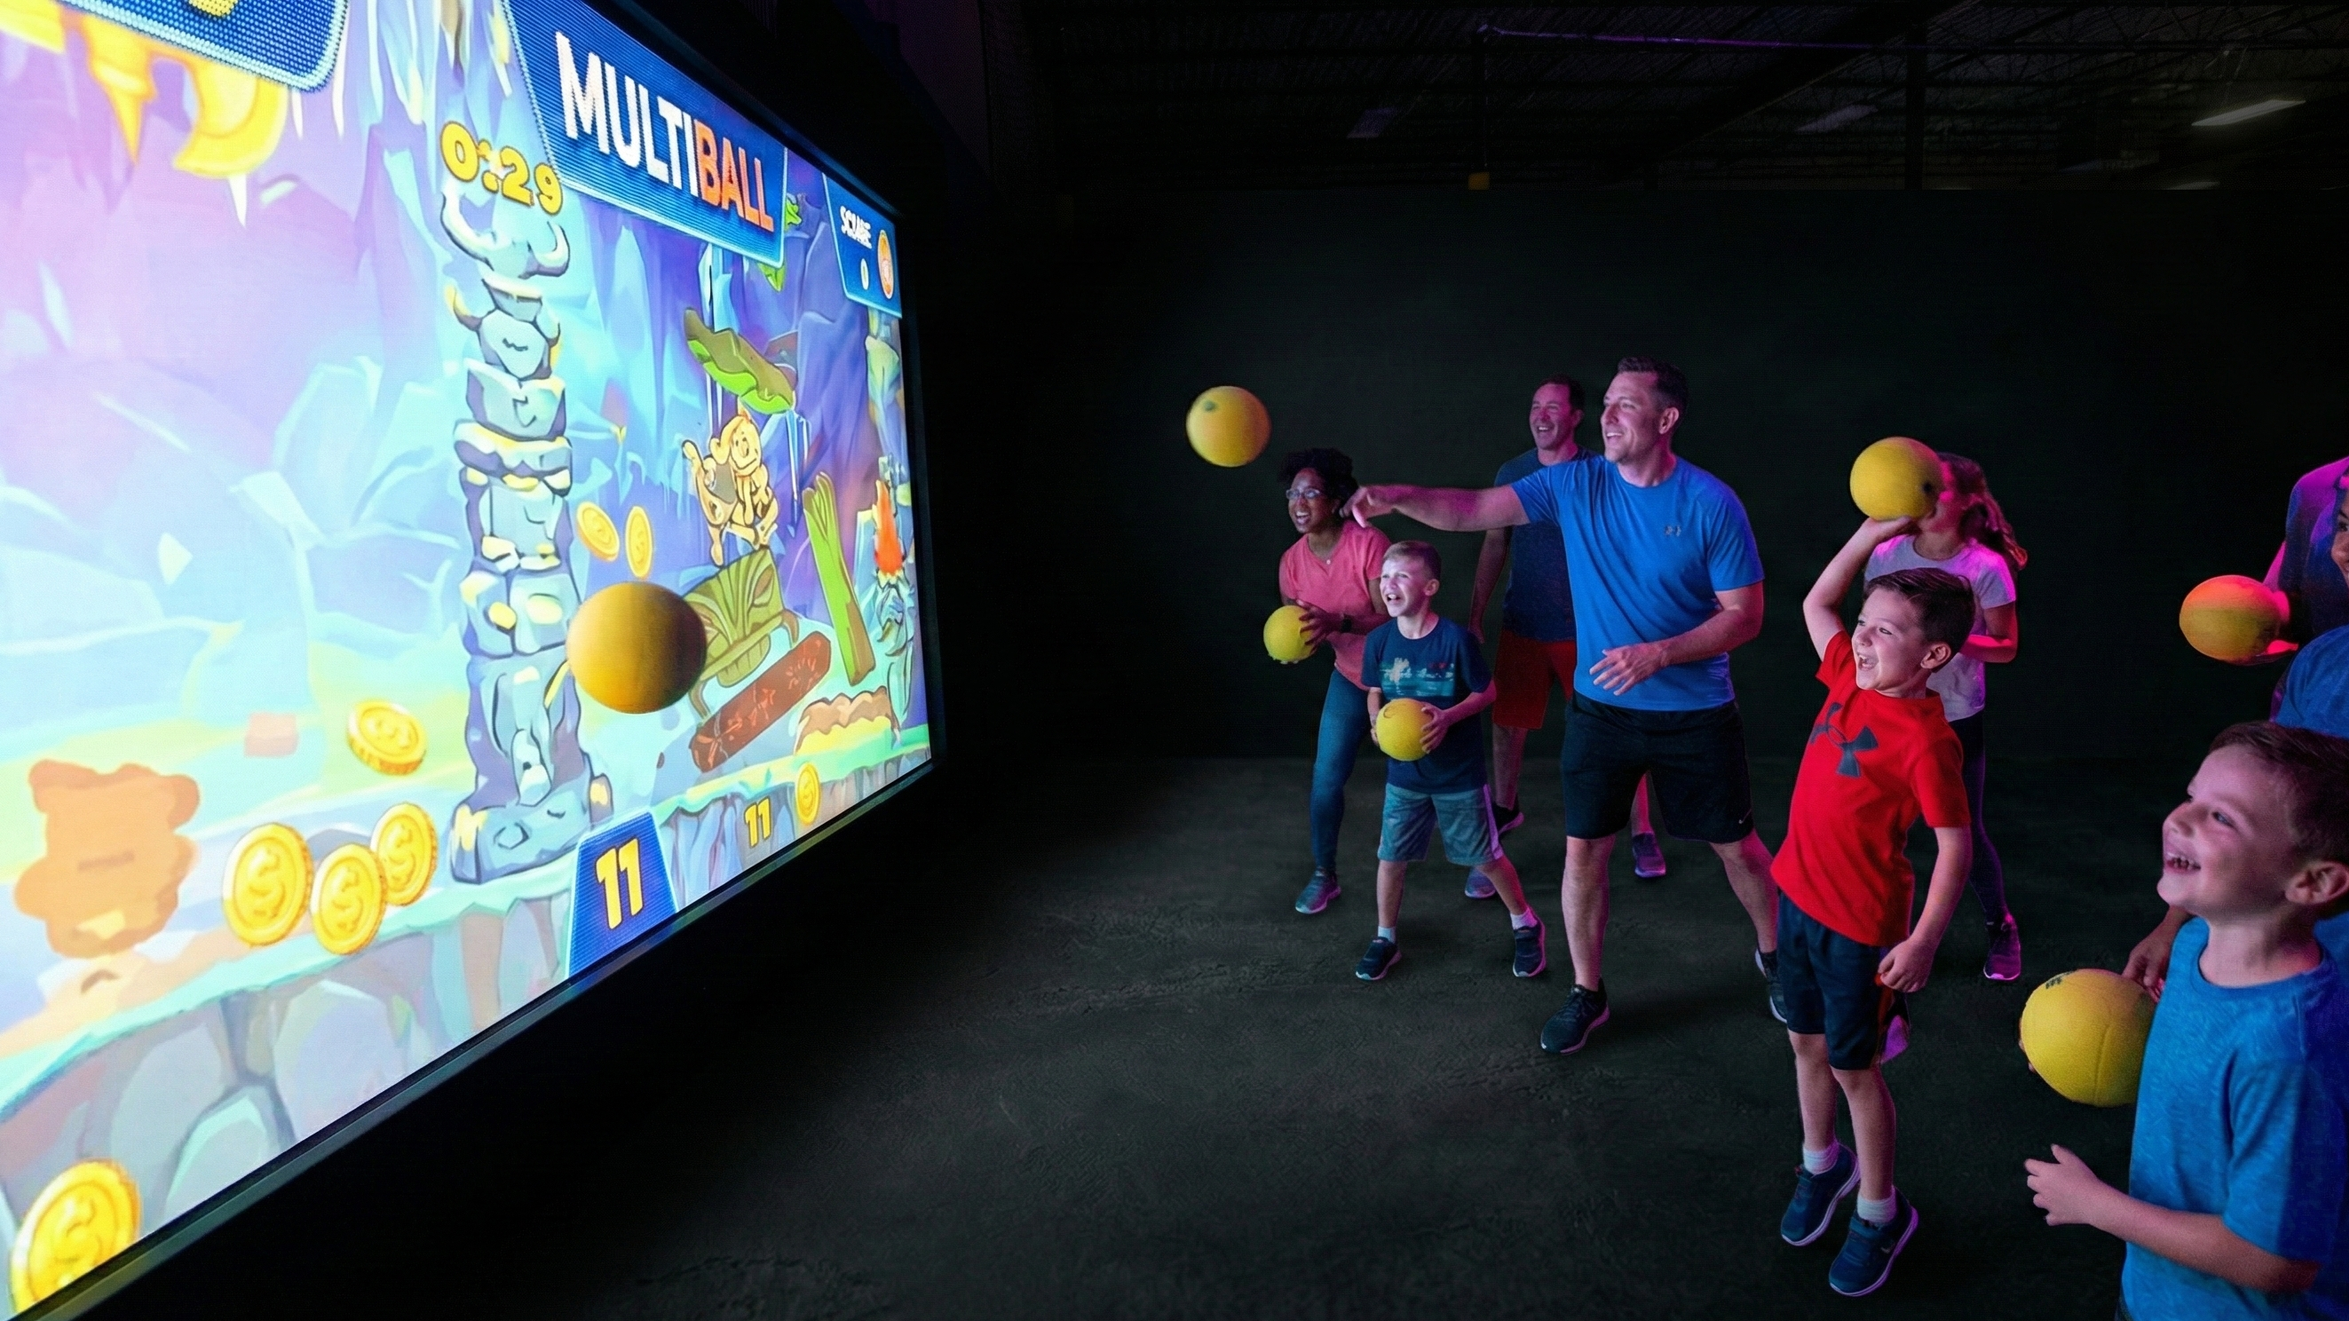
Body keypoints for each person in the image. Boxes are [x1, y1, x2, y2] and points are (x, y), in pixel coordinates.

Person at [1347, 356, 1780, 1054]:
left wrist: (1660, 652)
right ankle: (1587, 991)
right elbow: (1470, 509)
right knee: (1585, 852)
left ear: (1665, 420)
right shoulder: (1572, 483)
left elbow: (1746, 615)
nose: (1606, 417)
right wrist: (1396, 494)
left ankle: (1775, 957)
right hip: (1602, 711)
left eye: (1625, 406)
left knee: (1736, 847)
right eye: (1604, 404)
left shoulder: (1709, 502)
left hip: (1693, 712)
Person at [2026, 723, 2349, 1321]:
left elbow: (2276, 1262)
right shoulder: (2195, 940)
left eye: (2222, 818)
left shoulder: (2288, 1053)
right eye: (2192, 796)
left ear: (2313, 881)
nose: (2180, 819)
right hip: (2153, 1290)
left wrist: (2097, 1205)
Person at [1774, 523, 1974, 1298]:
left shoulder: (1928, 741)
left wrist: (1923, 940)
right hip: (1796, 901)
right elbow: (1816, 599)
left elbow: (1953, 848)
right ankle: (1821, 1166)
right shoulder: (1844, 675)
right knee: (1803, 1042)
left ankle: (1878, 1210)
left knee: (1853, 1067)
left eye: (1882, 633)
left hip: (1860, 928)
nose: (1859, 640)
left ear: (1931, 656)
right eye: (1861, 626)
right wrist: (1867, 534)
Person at [2125, 489, 2349, 986]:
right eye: (2345, 526)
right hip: (2269, 949)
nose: (2343, 553)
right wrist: (2177, 926)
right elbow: (2261, 792)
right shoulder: (2324, 659)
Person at [1468, 375, 1668, 891]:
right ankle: (1505, 814)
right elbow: (1493, 545)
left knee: (1622, 726)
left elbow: (1635, 543)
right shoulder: (1514, 473)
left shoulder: (1601, 472)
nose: (1541, 415)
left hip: (1593, 631)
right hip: (1524, 625)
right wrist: (1475, 614)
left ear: (1576, 417)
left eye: (1553, 407)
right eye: (1535, 406)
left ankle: (1642, 830)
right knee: (1507, 726)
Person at [1863, 453, 2025, 981]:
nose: (1929, 499)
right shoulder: (1884, 554)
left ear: (1970, 502)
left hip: (1952, 718)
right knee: (1881, 827)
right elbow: (1871, 631)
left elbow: (2006, 647)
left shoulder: (1985, 567)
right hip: (1887, 713)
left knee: (1962, 832)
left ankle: (2000, 924)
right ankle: (1877, 936)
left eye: (1942, 489)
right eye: (1922, 487)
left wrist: (1943, 642)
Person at [1354, 542, 1546, 982]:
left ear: (1430, 587)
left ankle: (1526, 924)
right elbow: (1374, 691)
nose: (1389, 585)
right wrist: (1375, 723)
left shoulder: (1455, 640)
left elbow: (1488, 692)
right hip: (1404, 776)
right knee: (1390, 857)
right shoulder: (1380, 641)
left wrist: (1448, 717)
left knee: (1486, 857)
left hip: (1458, 777)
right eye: (1385, 577)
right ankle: (1385, 938)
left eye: (1401, 576)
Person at [1276, 449, 1390, 917]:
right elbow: (1298, 623)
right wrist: (1296, 645)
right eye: (1292, 494)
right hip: (1349, 678)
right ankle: (1325, 874)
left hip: (1403, 675)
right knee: (1325, 783)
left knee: (1442, 781)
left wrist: (1338, 620)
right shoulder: (1291, 563)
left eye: (1310, 493)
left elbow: (1395, 620)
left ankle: (1482, 863)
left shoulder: (1369, 544)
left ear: (1337, 498)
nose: (1299, 503)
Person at [2266, 455, 2349, 644]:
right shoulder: (2315, 487)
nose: (2340, 551)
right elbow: (2291, 605)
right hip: (2321, 669)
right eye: (2344, 526)